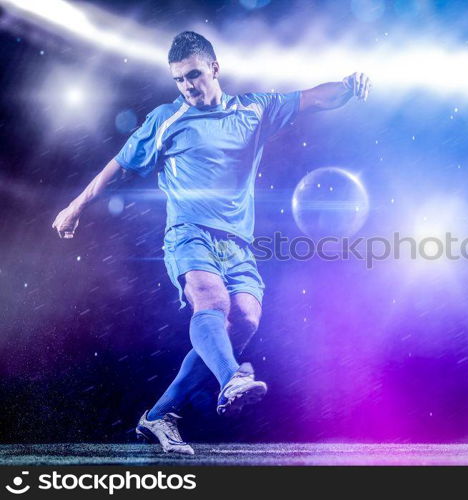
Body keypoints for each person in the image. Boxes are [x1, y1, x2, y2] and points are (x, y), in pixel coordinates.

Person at [51, 31, 371, 455]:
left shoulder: (255, 110)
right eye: (180, 80)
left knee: (246, 319)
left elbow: (313, 97)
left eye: (195, 75)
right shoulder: (166, 119)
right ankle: (232, 378)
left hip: (238, 243)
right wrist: (74, 206)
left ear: (215, 68)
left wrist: (348, 87)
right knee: (211, 302)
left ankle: (159, 415)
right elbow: (118, 165)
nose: (188, 86)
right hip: (188, 234)